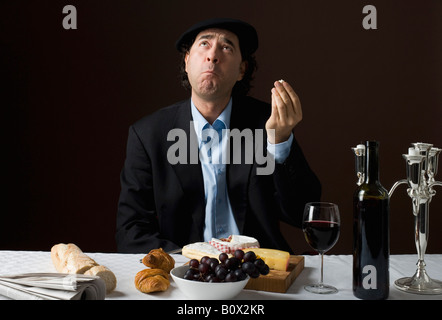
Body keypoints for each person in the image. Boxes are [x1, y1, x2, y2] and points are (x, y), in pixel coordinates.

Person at [116, 18, 321, 253]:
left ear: (241, 70)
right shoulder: (148, 134)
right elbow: (130, 230)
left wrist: (280, 141)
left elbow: (304, 216)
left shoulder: (268, 123)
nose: (212, 56)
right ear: (187, 61)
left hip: (258, 274)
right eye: (204, 44)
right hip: (185, 275)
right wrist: (190, 262)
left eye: (226, 47)